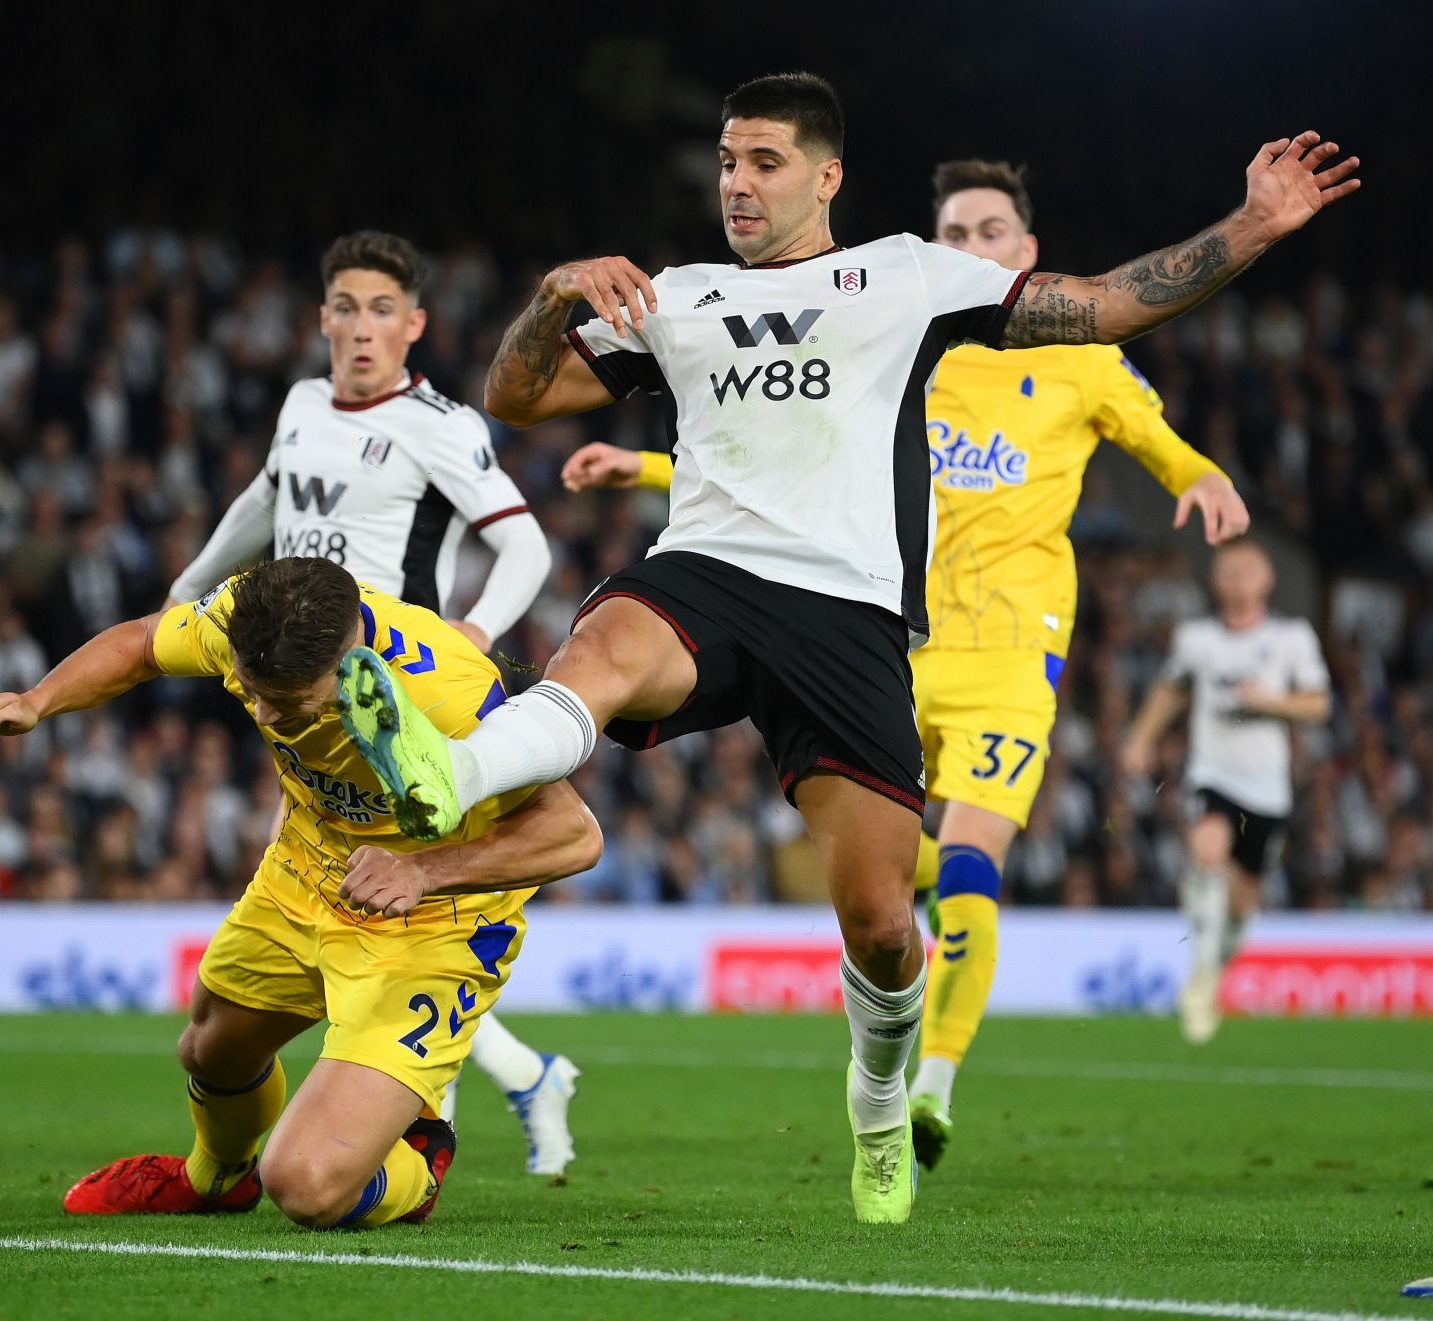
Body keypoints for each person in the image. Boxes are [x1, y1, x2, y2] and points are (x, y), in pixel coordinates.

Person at [332, 71, 1357, 1223]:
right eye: (726, 160)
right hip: (706, 574)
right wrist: (556, 294)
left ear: (826, 177)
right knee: (606, 641)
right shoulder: (679, 296)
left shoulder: (909, 277)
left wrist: (1255, 226)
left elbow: (1109, 303)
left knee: (877, 922)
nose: (738, 182)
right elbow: (516, 399)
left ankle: (879, 1101)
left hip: (850, 612)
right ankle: (446, 769)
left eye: (765, 161)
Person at [559, 158, 1253, 1173]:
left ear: (1027, 253)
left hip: (1015, 654)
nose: (968, 248)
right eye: (954, 234)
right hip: (894, 640)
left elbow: (1162, 442)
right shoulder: (901, 344)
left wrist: (1203, 477)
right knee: (881, 875)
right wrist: (650, 466)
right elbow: (792, 462)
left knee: (969, 860)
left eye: (988, 232)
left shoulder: (1079, 362)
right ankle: (894, 1007)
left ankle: (934, 1082)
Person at [0, 556, 600, 1229]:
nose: (262, 712)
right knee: (211, 1048)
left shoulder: (448, 691)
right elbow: (140, 643)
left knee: (307, 1186)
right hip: (308, 868)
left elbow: (574, 833)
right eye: (253, 691)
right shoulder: (247, 618)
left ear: (352, 663)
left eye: (285, 701)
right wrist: (34, 701)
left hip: (432, 920)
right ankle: (215, 1178)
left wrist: (423, 871)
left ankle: (418, 1167)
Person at [164, 231, 579, 1176]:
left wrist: (471, 633)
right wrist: (187, 592)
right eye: (345, 307)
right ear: (321, 319)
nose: (361, 329)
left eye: (382, 310)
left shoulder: (441, 424)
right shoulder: (303, 403)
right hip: (300, 688)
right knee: (357, 915)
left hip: (396, 709)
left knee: (388, 917)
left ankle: (431, 1122)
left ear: (415, 325)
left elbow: (525, 548)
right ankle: (519, 1078)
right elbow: (264, 503)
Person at [1121, 540, 1330, 1043]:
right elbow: (1171, 689)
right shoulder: (1196, 638)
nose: (1237, 576)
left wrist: (1272, 702)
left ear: (1268, 579)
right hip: (1212, 775)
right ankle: (1203, 976)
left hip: (1267, 787)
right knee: (1207, 847)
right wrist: (1141, 738)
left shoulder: (1290, 636)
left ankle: (1216, 963)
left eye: (1248, 569)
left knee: (1242, 902)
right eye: (1228, 569)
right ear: (1214, 581)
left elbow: (1318, 704)